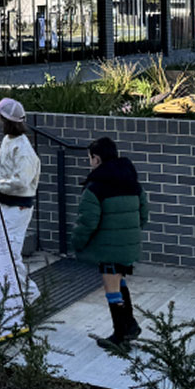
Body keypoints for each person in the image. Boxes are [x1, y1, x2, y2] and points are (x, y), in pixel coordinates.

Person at [72, 136, 150, 352]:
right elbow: (144, 214)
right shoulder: (133, 183)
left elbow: (87, 222)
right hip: (128, 245)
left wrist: (77, 242)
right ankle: (130, 325)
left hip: (106, 247)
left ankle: (120, 335)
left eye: (90, 158)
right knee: (120, 282)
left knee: (111, 288)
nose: (90, 163)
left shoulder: (95, 187)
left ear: (97, 159)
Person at [0, 97, 41, 302]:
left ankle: (29, 294)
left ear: (5, 118)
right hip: (7, 203)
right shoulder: (9, 140)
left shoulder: (23, 149)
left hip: (18, 207)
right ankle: (17, 292)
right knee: (5, 250)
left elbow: (21, 181)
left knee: (10, 252)